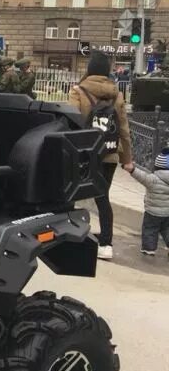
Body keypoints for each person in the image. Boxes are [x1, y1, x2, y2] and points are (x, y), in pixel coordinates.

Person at [68, 52, 132, 261]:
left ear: (90, 69)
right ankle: (106, 244)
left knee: (70, 194)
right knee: (102, 198)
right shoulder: (117, 94)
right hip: (110, 154)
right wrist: (127, 159)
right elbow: (123, 130)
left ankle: (69, 236)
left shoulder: (79, 91)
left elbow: (70, 124)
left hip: (85, 154)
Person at [124, 151, 169, 257]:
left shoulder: (153, 179)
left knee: (150, 229)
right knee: (167, 229)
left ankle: (149, 249)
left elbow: (141, 176)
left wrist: (132, 169)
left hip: (152, 212)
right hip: (167, 213)